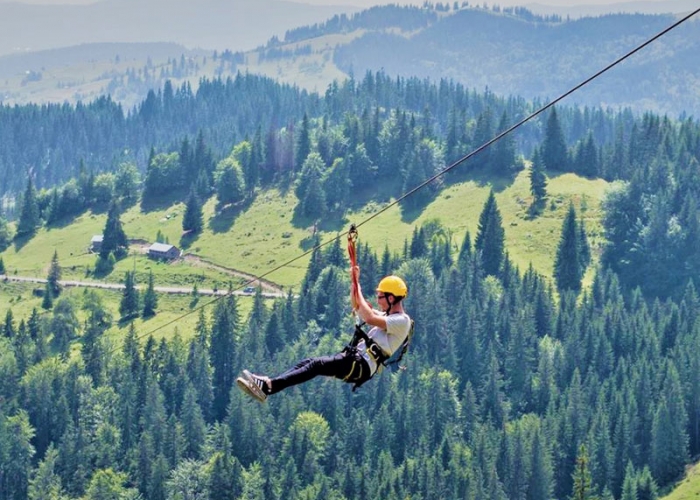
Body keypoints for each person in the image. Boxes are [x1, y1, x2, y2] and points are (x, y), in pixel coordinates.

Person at [236, 267, 412, 402]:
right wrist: (354, 282)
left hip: (361, 364)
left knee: (316, 365)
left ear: (392, 298)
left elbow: (368, 316)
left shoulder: (402, 321)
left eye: (381, 297)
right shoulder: (388, 317)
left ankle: (269, 386)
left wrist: (357, 283)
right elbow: (358, 306)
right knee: (309, 363)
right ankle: (269, 385)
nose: (378, 300)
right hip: (357, 361)